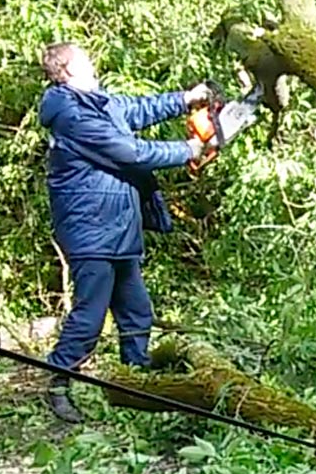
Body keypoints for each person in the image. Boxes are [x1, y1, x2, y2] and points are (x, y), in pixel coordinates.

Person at [37, 41, 210, 423]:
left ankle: (134, 382)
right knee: (90, 317)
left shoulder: (97, 103)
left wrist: (185, 99)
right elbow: (130, 151)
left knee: (136, 312)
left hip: (116, 228)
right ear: (67, 72)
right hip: (91, 230)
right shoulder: (73, 118)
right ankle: (57, 382)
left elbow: (136, 109)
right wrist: (188, 149)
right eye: (86, 62)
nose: (93, 66)